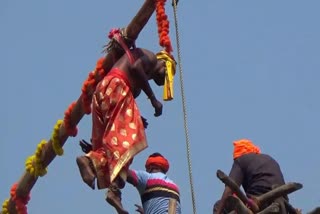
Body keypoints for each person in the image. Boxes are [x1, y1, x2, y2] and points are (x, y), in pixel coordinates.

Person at [76, 37, 174, 213]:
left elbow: (119, 112)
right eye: (167, 75)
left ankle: (99, 172)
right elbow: (136, 67)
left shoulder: (138, 81)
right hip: (116, 85)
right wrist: (153, 100)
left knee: (117, 146)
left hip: (103, 91)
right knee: (132, 139)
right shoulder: (150, 58)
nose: (163, 81)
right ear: (164, 65)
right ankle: (94, 167)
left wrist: (138, 118)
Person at [215, 139, 289, 214]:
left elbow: (228, 191)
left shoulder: (241, 159)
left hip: (260, 201)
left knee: (219, 205)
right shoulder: (269, 158)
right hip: (282, 204)